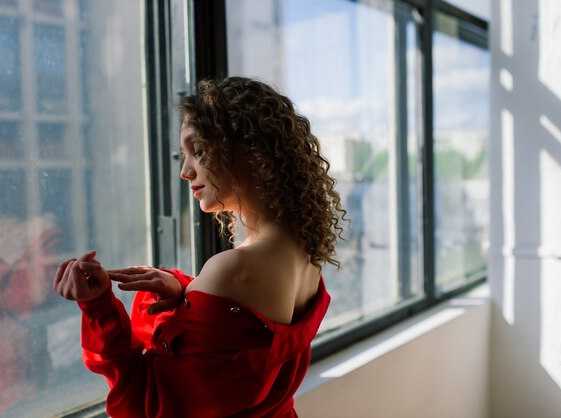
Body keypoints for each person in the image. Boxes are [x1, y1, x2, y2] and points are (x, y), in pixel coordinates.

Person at [53, 77, 346, 417]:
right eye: (184, 154)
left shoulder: (235, 269)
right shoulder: (303, 252)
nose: (184, 171)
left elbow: (148, 405)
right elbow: (243, 338)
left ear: (253, 151)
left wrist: (99, 310)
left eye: (200, 150)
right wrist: (187, 291)